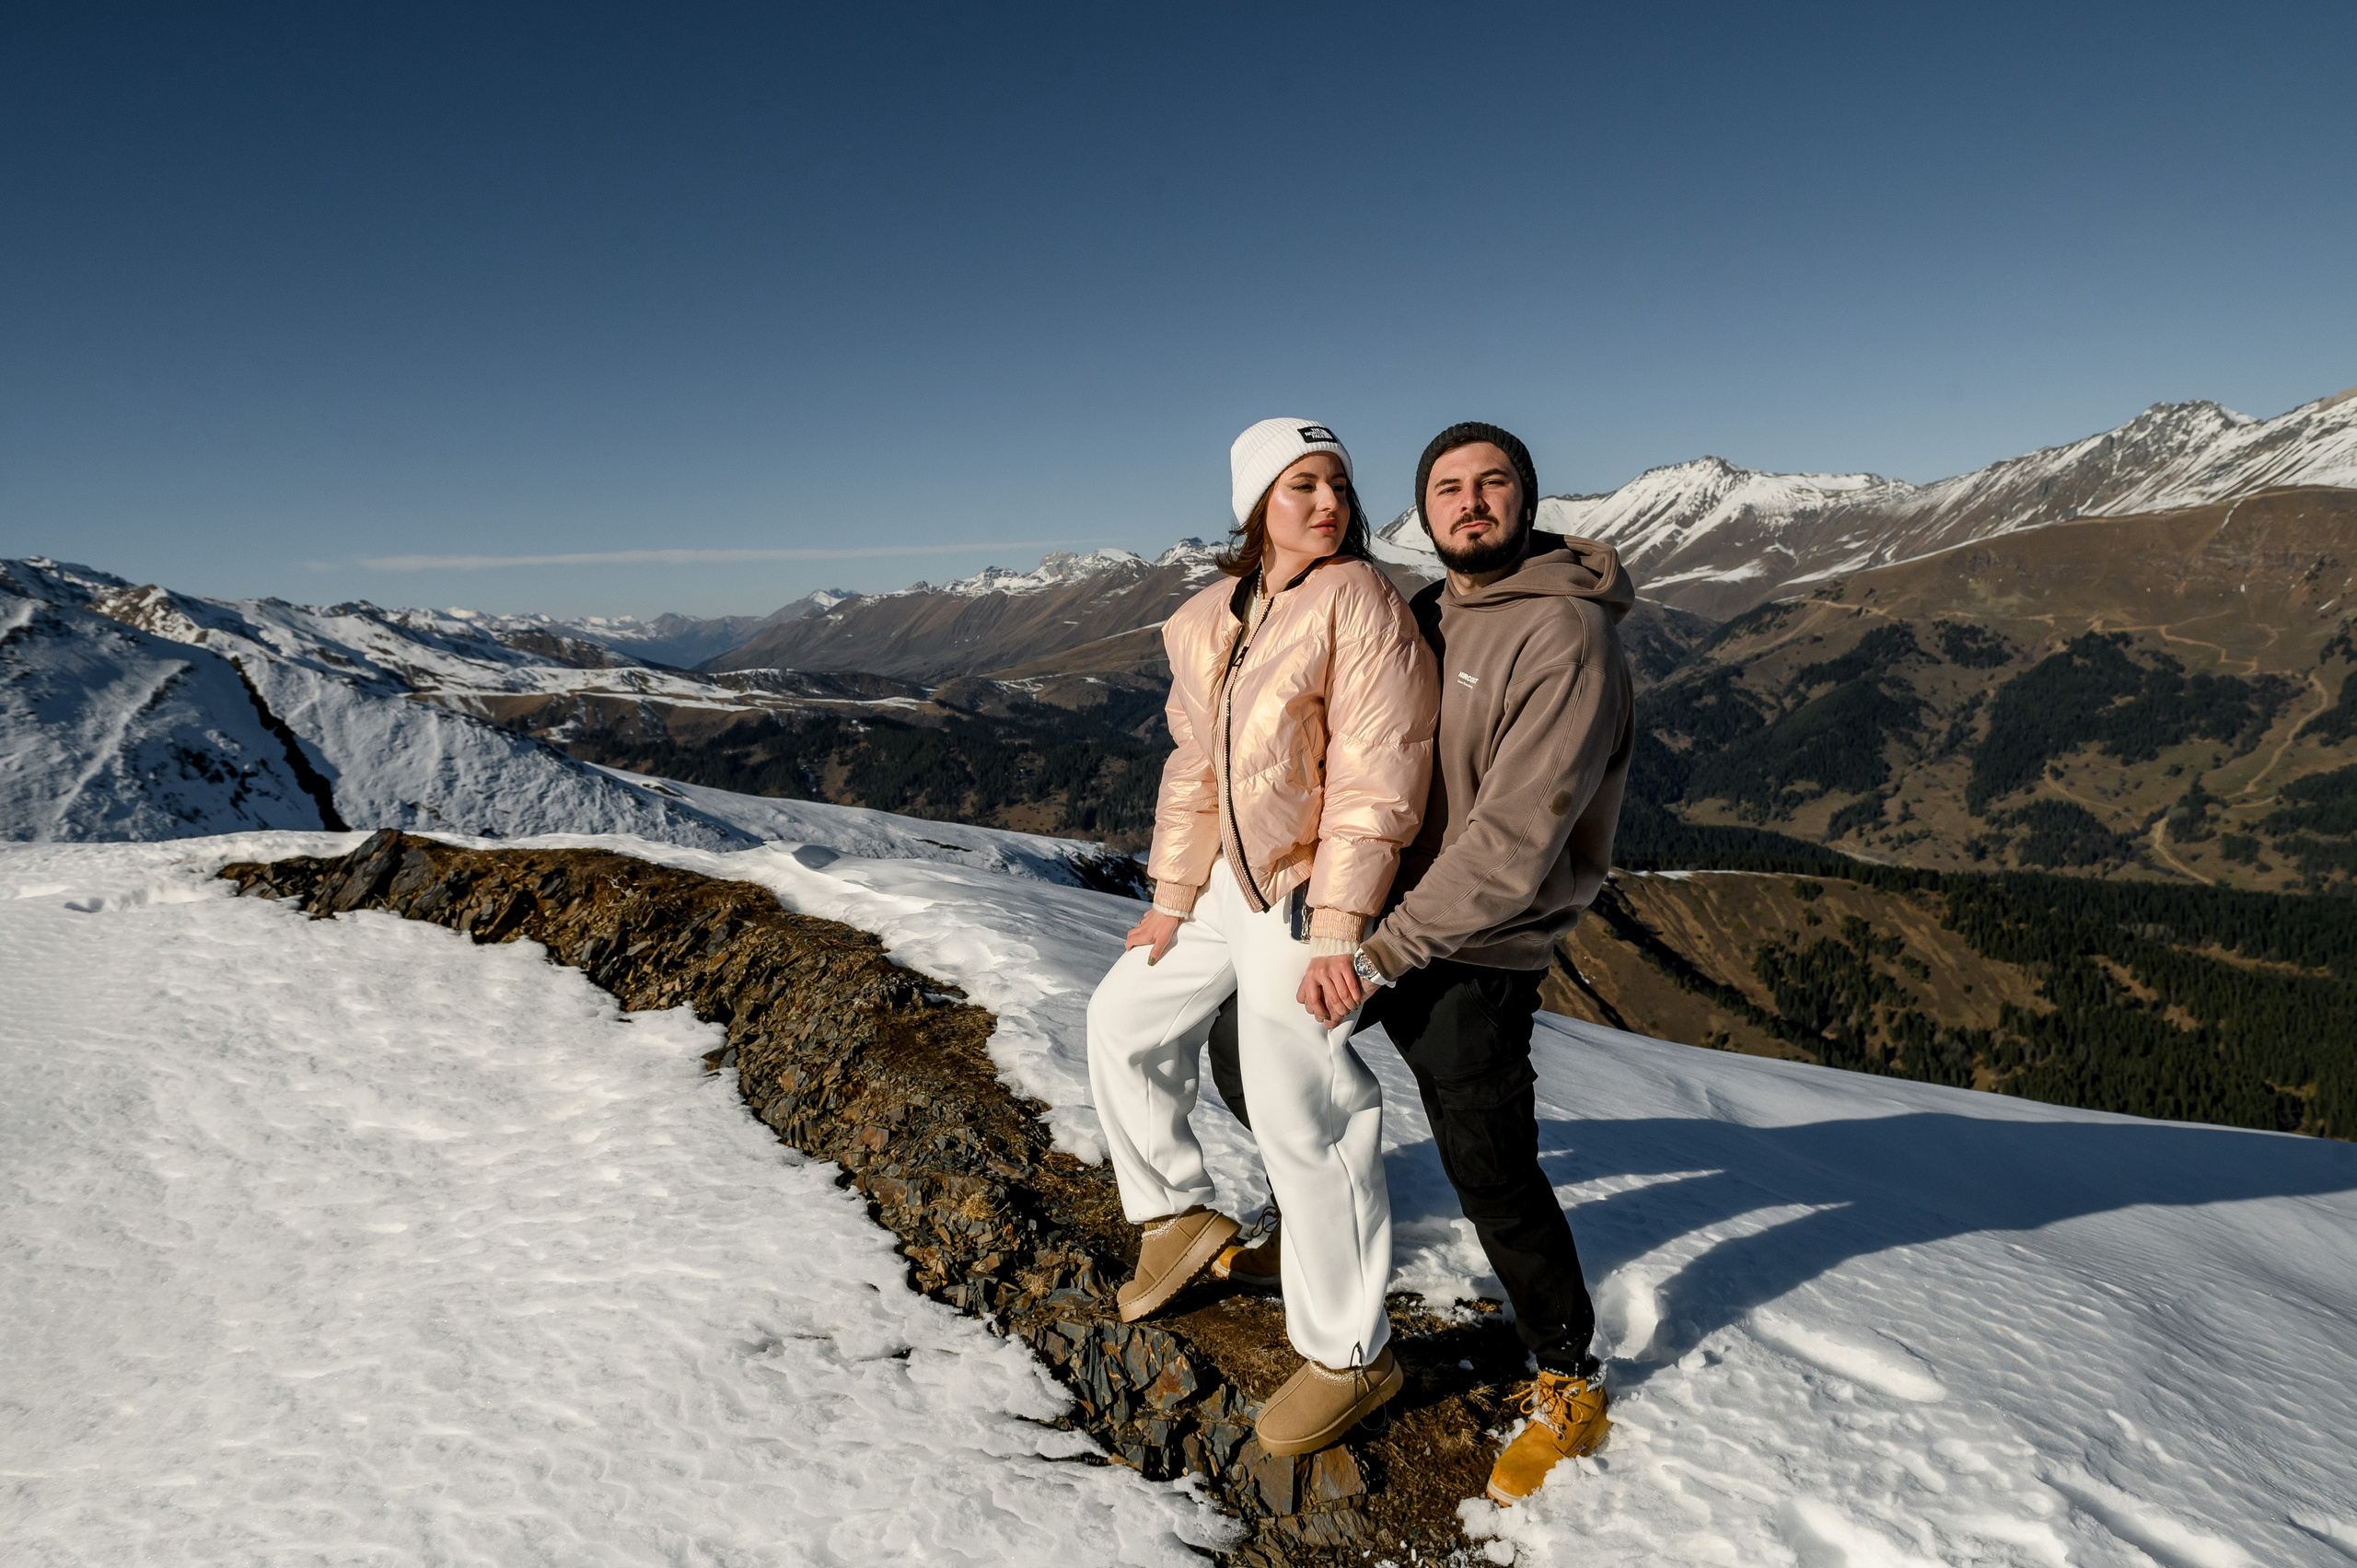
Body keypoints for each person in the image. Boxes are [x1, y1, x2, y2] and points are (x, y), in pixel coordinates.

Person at [1211, 421, 1636, 1504]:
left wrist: (1380, 952)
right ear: (1423, 509)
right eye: (1447, 487)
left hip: (1474, 946)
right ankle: (1314, 1233)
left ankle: (1565, 1372)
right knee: (1242, 1051)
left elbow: (1512, 842)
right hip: (1369, 924)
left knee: (1489, 1165)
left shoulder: (1566, 635)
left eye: (1493, 482)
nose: (1471, 501)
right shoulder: (1418, 610)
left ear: (1526, 499)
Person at [1085, 417, 1438, 1459]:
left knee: (1307, 1113)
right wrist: (1169, 894)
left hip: (1301, 897)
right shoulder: (1203, 618)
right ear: (1255, 506)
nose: (1327, 502)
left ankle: (1351, 1350)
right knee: (1121, 1016)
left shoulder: (1358, 599)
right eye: (1301, 486)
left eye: (1336, 483)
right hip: (1222, 891)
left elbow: (1381, 769)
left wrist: (1339, 927)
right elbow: (1195, 769)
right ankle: (1174, 1216)